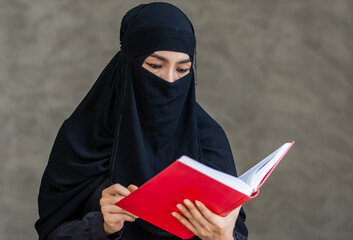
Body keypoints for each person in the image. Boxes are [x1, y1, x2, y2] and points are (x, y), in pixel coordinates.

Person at [35, 2, 248, 240]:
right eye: (155, 65)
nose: (169, 80)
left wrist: (222, 238)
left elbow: (235, 232)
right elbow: (50, 233)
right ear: (128, 65)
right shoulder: (82, 137)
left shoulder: (209, 139)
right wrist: (102, 227)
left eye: (182, 69)